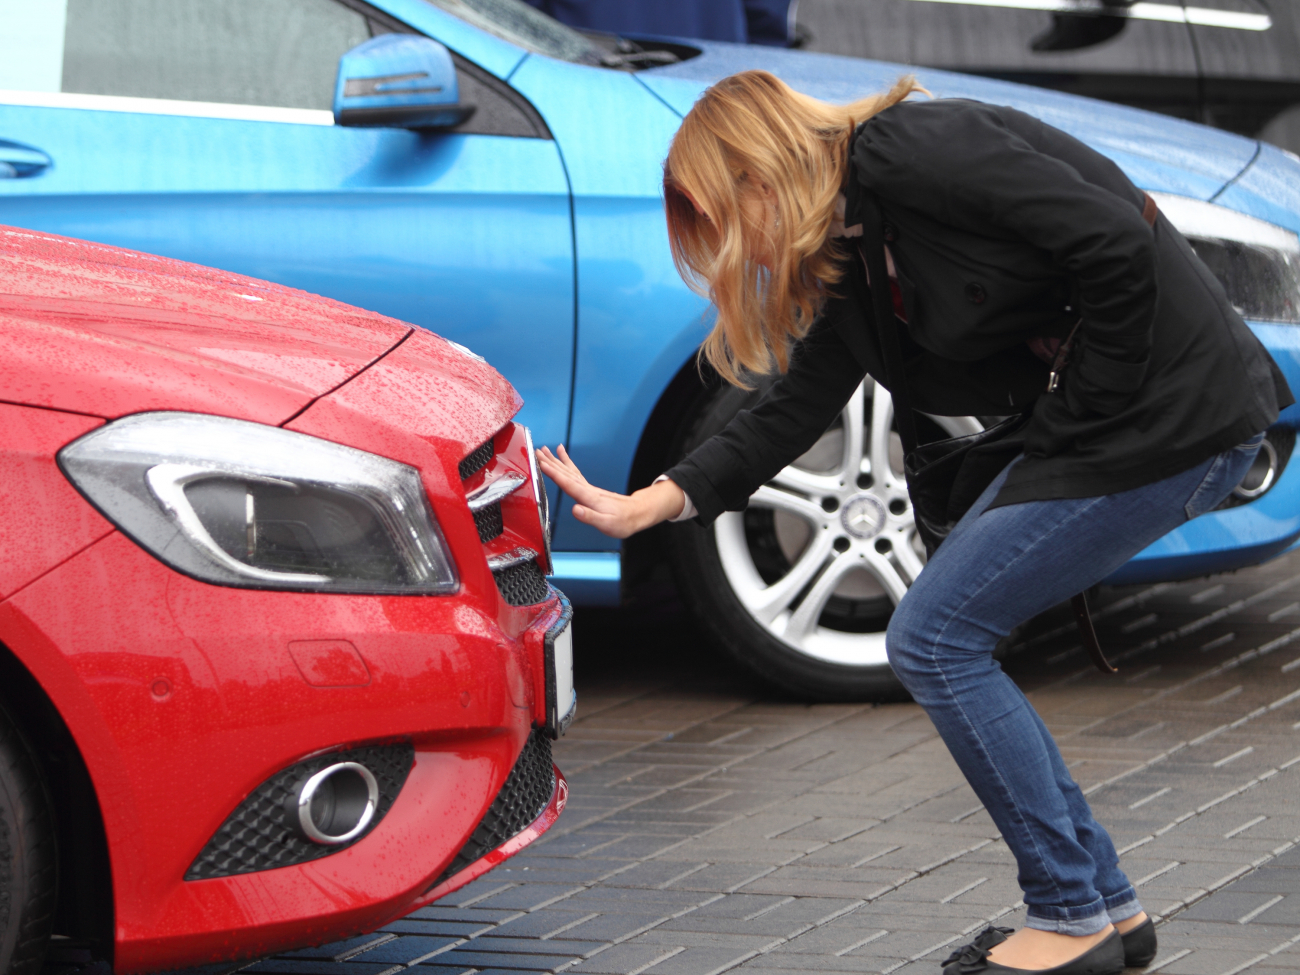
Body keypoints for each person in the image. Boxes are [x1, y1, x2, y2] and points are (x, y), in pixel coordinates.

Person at [537, 71, 1292, 974]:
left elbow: (1117, 246)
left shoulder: (915, 151)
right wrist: (660, 497)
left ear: (758, 173)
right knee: (942, 636)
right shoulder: (859, 247)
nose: (747, 254)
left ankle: (1070, 913)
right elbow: (794, 401)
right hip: (1127, 426)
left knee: (935, 638)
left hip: (1175, 421)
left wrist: (1082, 416)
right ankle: (1105, 907)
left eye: (728, 222)